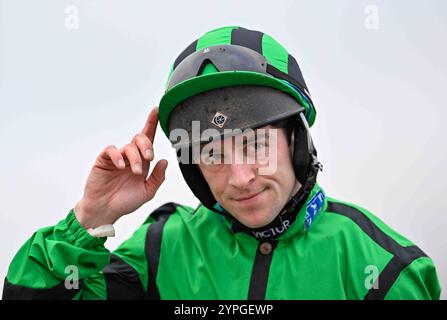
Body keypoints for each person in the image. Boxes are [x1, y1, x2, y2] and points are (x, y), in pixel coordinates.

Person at [2, 26, 441, 300]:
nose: (240, 177)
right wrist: (91, 218)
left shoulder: (383, 267)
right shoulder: (162, 249)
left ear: (296, 142)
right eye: (212, 152)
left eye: (255, 144)